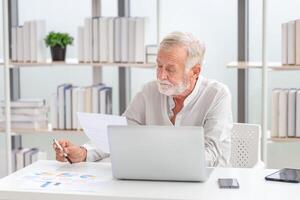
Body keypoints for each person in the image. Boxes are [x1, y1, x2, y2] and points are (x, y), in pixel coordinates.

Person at [54, 31, 233, 167]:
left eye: (170, 69)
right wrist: (84, 153)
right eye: (159, 66)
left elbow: (212, 155)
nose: (161, 75)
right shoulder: (149, 92)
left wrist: (159, 157)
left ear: (195, 72)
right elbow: (120, 134)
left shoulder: (217, 95)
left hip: (207, 187)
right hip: (156, 184)